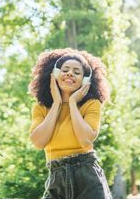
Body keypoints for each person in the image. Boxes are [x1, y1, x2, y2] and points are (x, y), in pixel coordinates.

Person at [28, 47, 112, 199]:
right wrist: (57, 104)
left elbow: (85, 139)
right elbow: (39, 142)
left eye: (77, 72)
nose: (70, 73)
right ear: (54, 75)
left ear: (85, 80)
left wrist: (73, 102)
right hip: (56, 175)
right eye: (65, 69)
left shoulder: (91, 105)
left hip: (87, 175)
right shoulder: (41, 108)